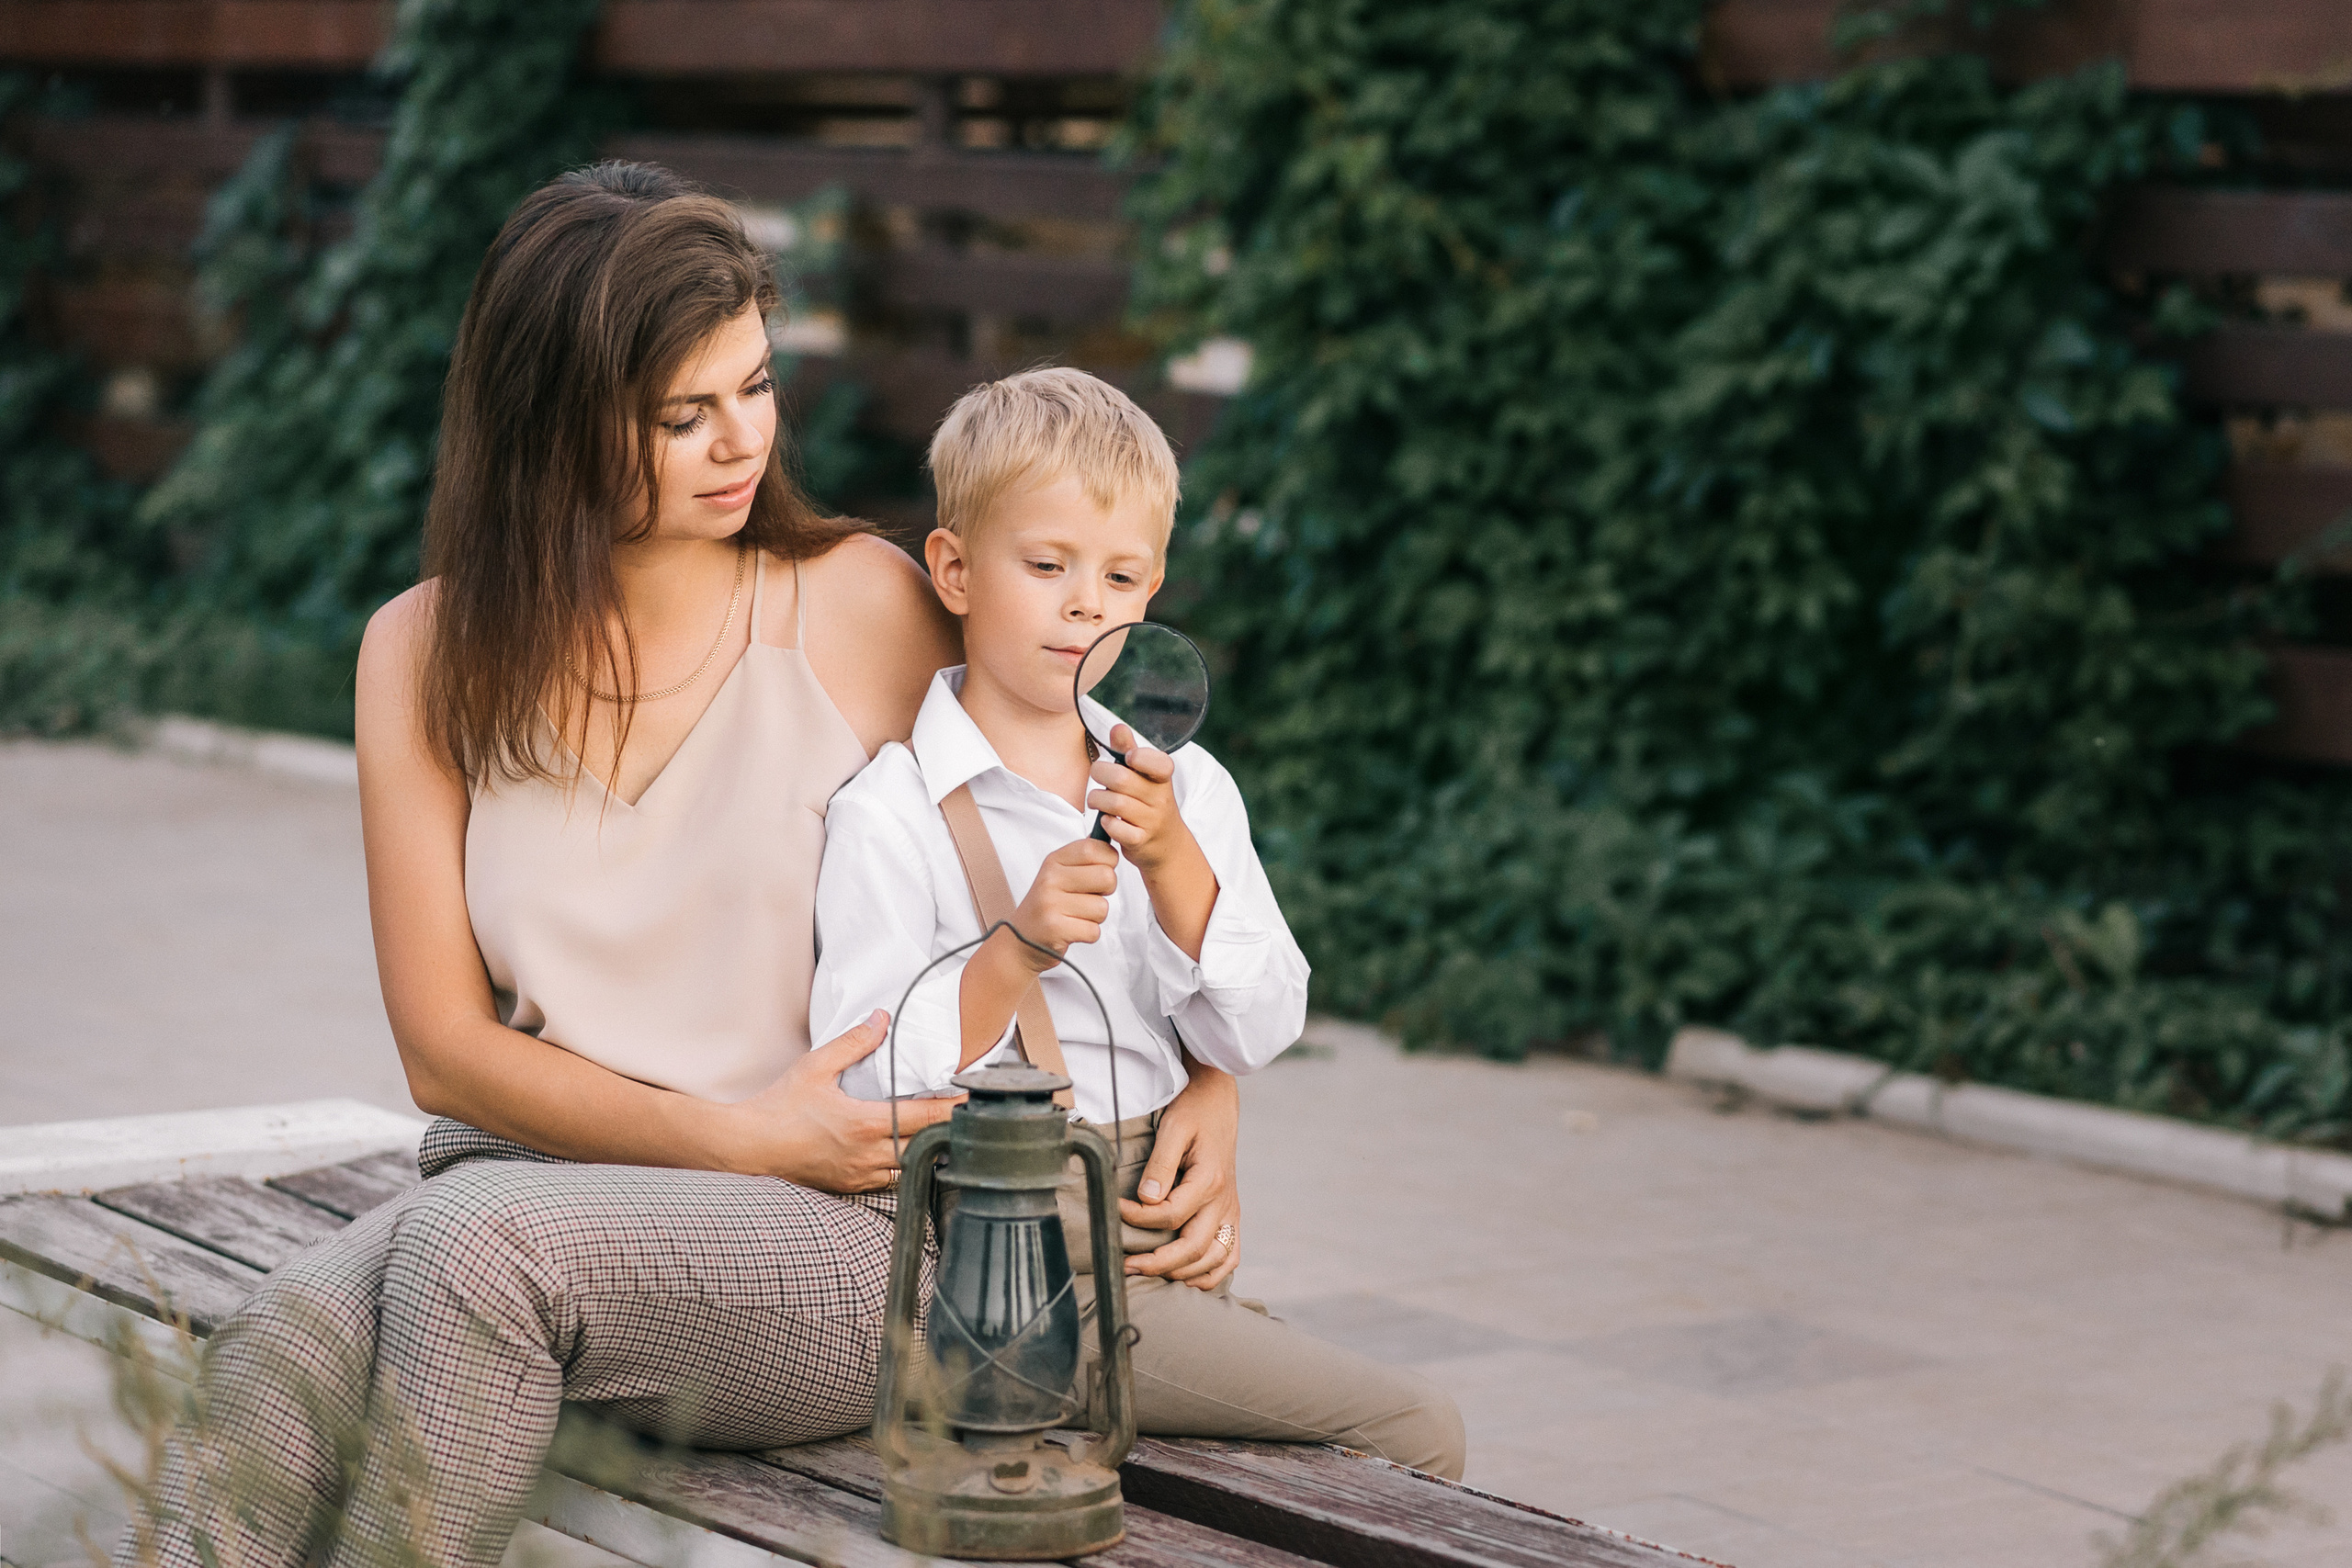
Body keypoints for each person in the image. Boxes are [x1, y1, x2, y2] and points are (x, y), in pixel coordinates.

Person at [116, 164, 1248, 1568]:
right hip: (528, 1180)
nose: (741, 445)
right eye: (682, 414)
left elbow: (1081, 851)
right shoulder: (419, 650)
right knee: (268, 1349)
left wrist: (1211, 1077)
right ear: (553, 421)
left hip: (835, 1223)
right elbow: (445, 1053)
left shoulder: (861, 601)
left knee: (477, 1250)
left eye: (757, 387)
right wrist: (734, 1130)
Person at [811, 367, 1464, 1476]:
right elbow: (859, 1082)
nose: (1085, 604)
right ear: (956, 569)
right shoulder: (893, 808)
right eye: (1048, 565)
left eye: (1119, 577)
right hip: (1015, 1267)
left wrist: (1174, 867)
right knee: (1410, 1432)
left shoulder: (1183, 789)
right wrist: (1013, 951)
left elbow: (1254, 1030)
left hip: (1155, 1236)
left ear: (1153, 589)